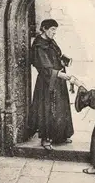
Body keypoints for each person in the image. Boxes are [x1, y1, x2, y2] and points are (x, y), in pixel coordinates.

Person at [28, 19, 74, 150]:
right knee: (47, 109)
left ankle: (61, 135)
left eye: (55, 29)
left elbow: (55, 55)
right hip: (47, 82)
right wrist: (60, 74)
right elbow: (44, 67)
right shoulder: (38, 45)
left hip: (57, 79)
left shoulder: (50, 41)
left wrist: (63, 61)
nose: (54, 32)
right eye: (52, 29)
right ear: (44, 28)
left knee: (60, 107)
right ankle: (46, 139)